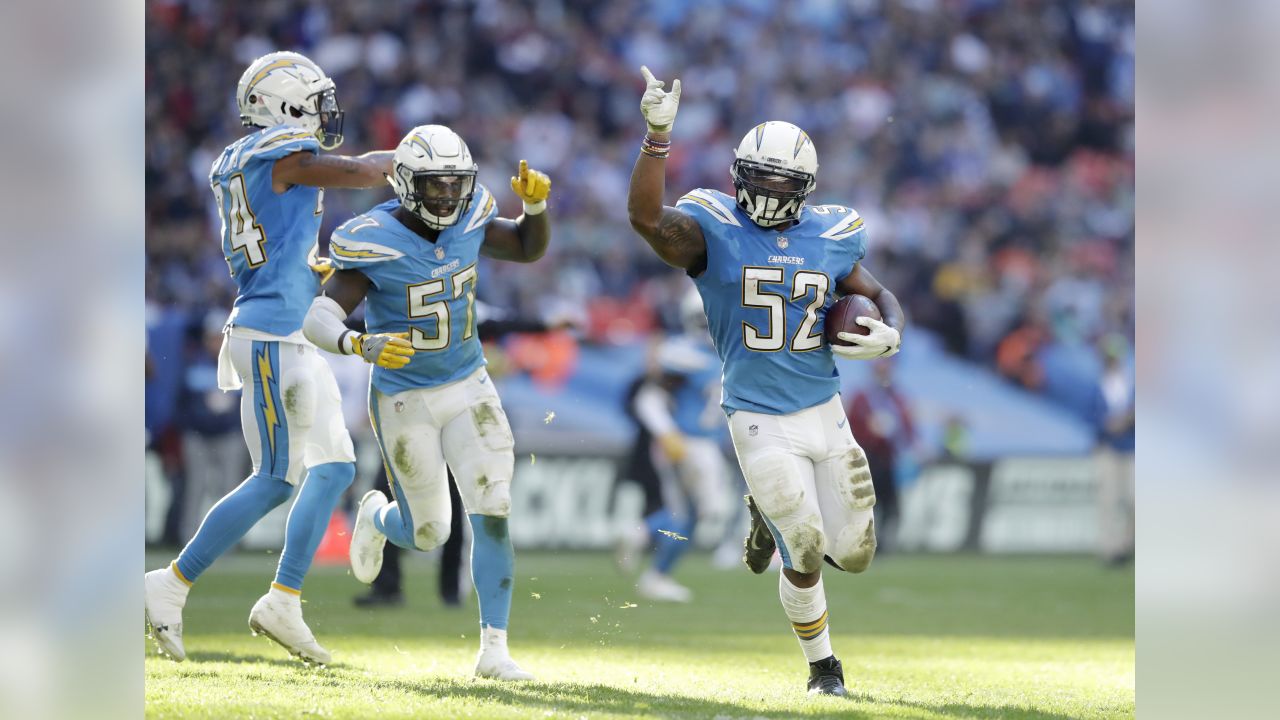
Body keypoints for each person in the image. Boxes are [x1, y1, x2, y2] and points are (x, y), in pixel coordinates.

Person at [626, 67, 906, 696]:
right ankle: (823, 669)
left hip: (825, 408)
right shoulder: (712, 228)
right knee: (804, 546)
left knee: (855, 554)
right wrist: (657, 137)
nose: (773, 194)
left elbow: (879, 293)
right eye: (762, 179)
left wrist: (892, 326)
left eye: (786, 183)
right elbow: (645, 217)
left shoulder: (832, 235)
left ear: (806, 188)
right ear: (738, 177)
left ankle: (764, 515)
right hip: (755, 412)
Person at [144, 51, 396, 665]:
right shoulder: (277, 153)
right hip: (271, 334)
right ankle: (170, 583)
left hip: (296, 328)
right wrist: (419, 158)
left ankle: (283, 599)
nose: (324, 115)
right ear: (285, 104)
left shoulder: (254, 158)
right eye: (315, 101)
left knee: (335, 466)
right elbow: (362, 172)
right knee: (276, 476)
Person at [302, 124, 551, 681]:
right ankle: (376, 515)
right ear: (407, 183)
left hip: (468, 383)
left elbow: (528, 248)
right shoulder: (372, 237)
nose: (446, 196)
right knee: (428, 532)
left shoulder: (471, 215)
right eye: (435, 185)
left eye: (454, 184)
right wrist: (359, 343)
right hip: (404, 397)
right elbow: (320, 317)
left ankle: (494, 650)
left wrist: (535, 209)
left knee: (493, 507)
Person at [626, 292, 729, 603]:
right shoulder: (684, 354)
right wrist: (667, 433)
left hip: (701, 443)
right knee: (703, 511)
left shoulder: (721, 355)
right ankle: (655, 571)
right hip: (689, 442)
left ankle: (643, 534)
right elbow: (648, 399)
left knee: (693, 513)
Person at [845, 360, 917, 553]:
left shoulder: (898, 398)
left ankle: (882, 544)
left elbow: (908, 426)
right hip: (867, 458)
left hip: (889, 459)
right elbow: (851, 427)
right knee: (866, 504)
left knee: (890, 506)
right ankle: (863, 542)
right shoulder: (862, 398)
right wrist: (869, 434)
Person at [1092, 335, 1134, 566]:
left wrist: (1127, 420)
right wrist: (1109, 424)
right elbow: (1092, 418)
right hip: (1108, 447)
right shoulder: (1097, 385)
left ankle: (1127, 544)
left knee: (1135, 500)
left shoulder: (1132, 385)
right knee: (1108, 501)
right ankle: (1110, 551)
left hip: (1132, 447)